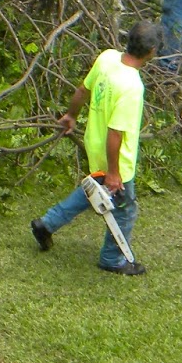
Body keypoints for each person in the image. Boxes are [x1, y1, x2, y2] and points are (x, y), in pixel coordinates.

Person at [29, 21, 161, 276]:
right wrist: (114, 172)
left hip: (95, 146)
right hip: (116, 159)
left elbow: (82, 90)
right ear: (152, 51)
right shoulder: (132, 87)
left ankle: (47, 224)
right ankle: (112, 259)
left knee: (91, 191)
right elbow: (116, 133)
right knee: (124, 209)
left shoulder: (107, 58)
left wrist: (70, 115)